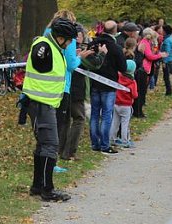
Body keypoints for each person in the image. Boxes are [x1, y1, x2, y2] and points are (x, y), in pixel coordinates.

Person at [23, 17, 79, 202]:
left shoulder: (54, 47)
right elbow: (40, 65)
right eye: (69, 40)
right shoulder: (45, 46)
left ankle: (37, 186)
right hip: (40, 104)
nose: (70, 43)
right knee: (50, 145)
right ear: (61, 38)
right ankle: (47, 189)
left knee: (43, 145)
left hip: (46, 103)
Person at [59, 27, 104, 162]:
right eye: (76, 36)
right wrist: (101, 54)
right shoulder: (75, 50)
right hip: (74, 89)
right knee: (78, 118)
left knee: (66, 120)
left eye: (80, 36)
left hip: (65, 87)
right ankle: (69, 151)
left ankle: (61, 150)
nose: (78, 39)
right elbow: (94, 64)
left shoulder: (64, 48)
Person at [88, 20, 127, 154]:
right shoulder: (115, 47)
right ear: (115, 31)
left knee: (94, 114)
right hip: (109, 85)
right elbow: (123, 67)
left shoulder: (93, 43)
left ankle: (95, 143)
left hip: (94, 83)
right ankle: (105, 145)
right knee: (106, 115)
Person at [135, 28, 167, 118]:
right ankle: (138, 112)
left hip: (145, 68)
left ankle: (139, 110)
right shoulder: (145, 42)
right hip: (143, 68)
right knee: (141, 91)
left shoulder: (146, 42)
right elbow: (149, 56)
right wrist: (160, 55)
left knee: (142, 90)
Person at [110, 59, 138, 148]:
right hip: (126, 105)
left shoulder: (118, 77)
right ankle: (125, 140)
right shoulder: (132, 82)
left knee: (115, 122)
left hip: (116, 103)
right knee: (125, 123)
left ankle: (112, 139)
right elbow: (134, 95)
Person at [160, 24, 172, 96]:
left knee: (166, 76)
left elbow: (167, 52)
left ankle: (168, 91)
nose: (161, 31)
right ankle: (168, 90)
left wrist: (164, 62)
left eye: (162, 30)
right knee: (166, 76)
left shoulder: (166, 40)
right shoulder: (170, 38)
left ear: (165, 31)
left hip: (167, 61)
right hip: (170, 59)